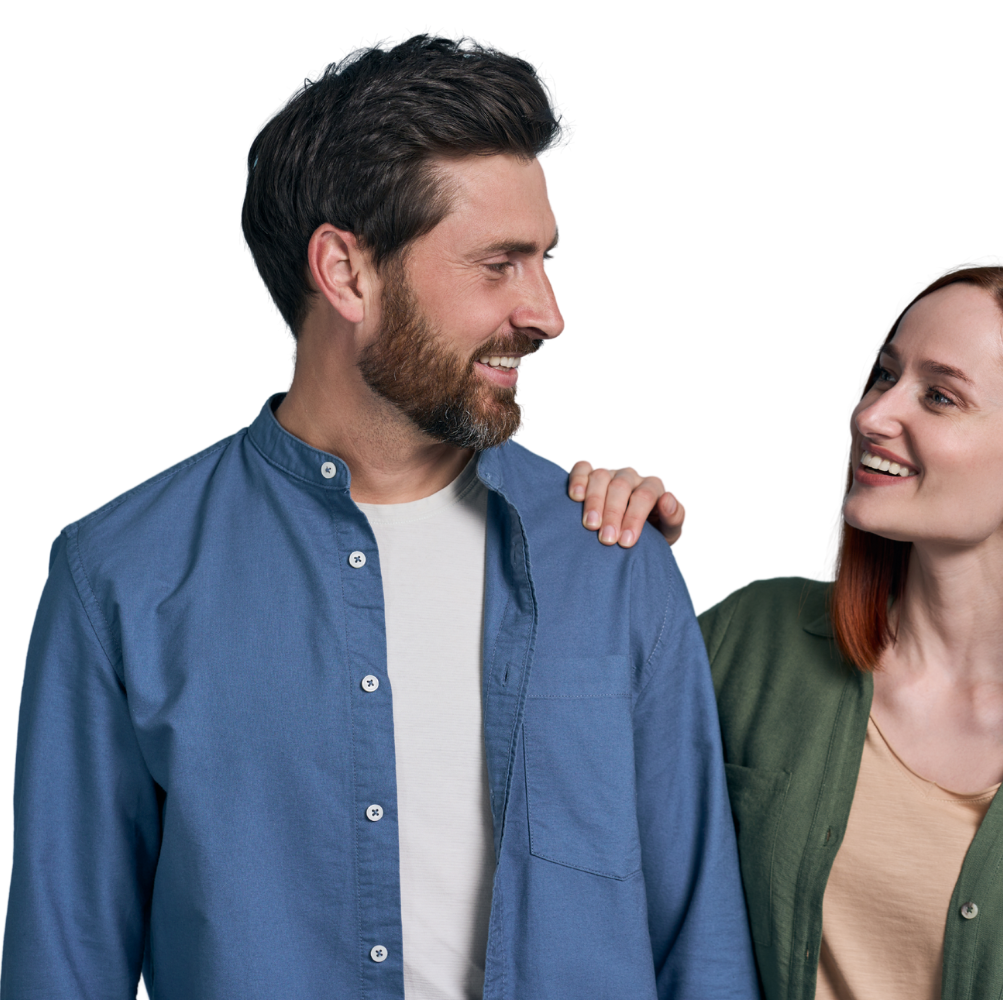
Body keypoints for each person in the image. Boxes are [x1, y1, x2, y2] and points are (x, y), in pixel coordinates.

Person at [1, 30, 759, 1000]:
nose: (548, 312)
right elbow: (66, 965)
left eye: (546, 259)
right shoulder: (119, 576)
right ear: (346, 272)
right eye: (500, 264)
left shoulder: (610, 553)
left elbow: (701, 952)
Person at [567, 257, 1003, 999]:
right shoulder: (750, 638)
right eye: (882, 376)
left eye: (938, 395)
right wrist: (617, 574)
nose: (871, 415)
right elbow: (562, 803)